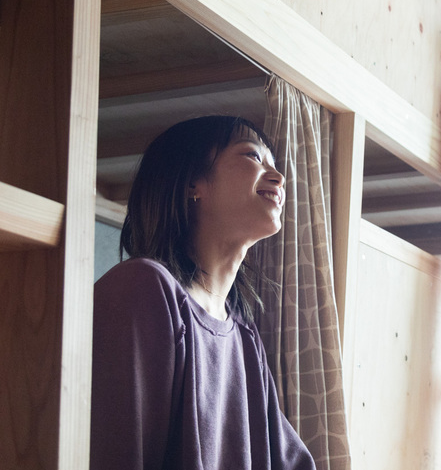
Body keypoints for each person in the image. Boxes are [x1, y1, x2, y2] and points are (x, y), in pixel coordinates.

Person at [90, 116, 316, 470]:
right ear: (192, 183)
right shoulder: (142, 288)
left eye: (273, 164)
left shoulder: (243, 334)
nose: (278, 177)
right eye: (253, 156)